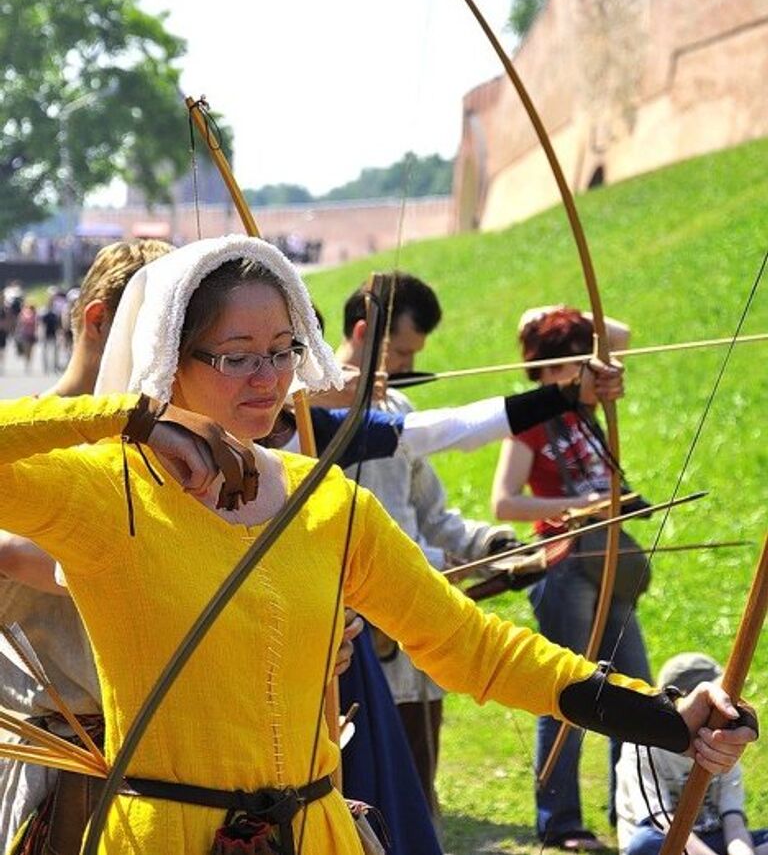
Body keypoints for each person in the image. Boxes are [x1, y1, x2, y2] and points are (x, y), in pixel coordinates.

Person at [0, 236, 754, 855]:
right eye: (235, 356)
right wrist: (131, 419)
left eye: (282, 349)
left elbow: (468, 644)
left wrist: (664, 715)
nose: (268, 379)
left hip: (318, 834)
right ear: (171, 359)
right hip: (163, 838)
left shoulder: (325, 498)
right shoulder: (107, 489)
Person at [330, 276, 618, 820]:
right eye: (400, 350)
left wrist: (493, 543)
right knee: (370, 799)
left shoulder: (397, 404)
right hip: (358, 644)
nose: (406, 362)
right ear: (365, 333)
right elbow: (345, 545)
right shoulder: (304, 424)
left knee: (420, 788)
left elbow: (433, 513)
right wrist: (444, 565)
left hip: (416, 643)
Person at [0, 240, 174, 850]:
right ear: (100, 320)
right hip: (66, 764)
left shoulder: (182, 452)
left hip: (177, 762)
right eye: (158, 331)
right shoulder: (21, 442)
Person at [490, 305, 649, 851]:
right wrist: (582, 503)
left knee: (637, 687)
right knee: (570, 690)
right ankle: (560, 823)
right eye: (580, 360)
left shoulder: (588, 400)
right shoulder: (533, 417)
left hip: (608, 561)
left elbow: (621, 331)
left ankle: (634, 807)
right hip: (564, 565)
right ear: (557, 366)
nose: (597, 369)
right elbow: (504, 501)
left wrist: (564, 314)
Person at [615, 652, 767, 855]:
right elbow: (660, 820)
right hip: (662, 839)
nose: (722, 706)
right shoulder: (642, 746)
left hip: (711, 838)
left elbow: (734, 822)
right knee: (643, 844)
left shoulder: (721, 741)